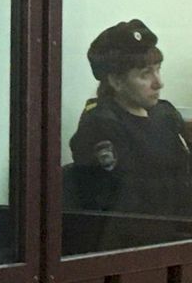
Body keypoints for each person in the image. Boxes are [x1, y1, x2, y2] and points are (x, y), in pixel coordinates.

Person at [69, 19, 192, 216]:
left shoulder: (165, 113)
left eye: (158, 69)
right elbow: (124, 204)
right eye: (145, 74)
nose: (159, 83)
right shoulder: (101, 126)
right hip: (142, 230)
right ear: (116, 81)